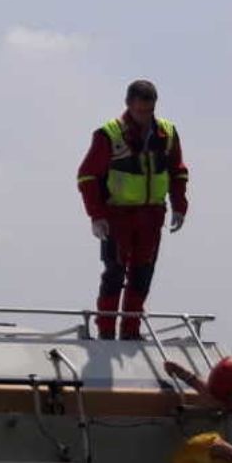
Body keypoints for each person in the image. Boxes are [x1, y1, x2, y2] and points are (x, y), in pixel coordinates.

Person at [78, 80, 189, 340]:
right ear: (128, 105)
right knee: (114, 273)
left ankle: (131, 331)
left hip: (152, 215)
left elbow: (178, 172)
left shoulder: (167, 133)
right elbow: (87, 176)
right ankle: (106, 331)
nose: (144, 117)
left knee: (142, 274)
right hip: (118, 215)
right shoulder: (109, 134)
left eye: (149, 111)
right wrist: (96, 216)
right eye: (139, 111)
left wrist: (179, 205)